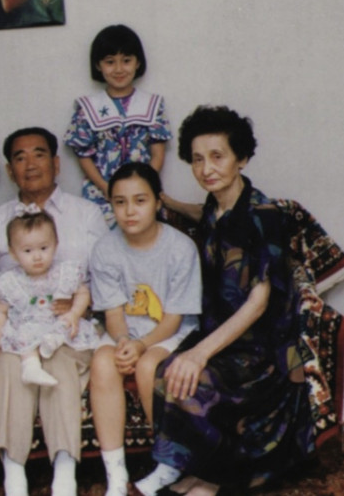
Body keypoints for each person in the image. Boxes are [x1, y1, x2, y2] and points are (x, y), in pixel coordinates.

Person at [134, 106, 314, 496]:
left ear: (241, 158)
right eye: (197, 159)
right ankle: (194, 471)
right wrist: (170, 203)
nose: (206, 168)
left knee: (188, 375)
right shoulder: (216, 207)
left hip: (260, 352)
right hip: (222, 336)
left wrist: (199, 352)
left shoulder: (264, 216)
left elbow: (258, 303)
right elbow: (205, 215)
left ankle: (215, 480)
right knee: (165, 370)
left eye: (217, 156)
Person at [0, 127, 108, 496]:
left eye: (38, 154)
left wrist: (80, 307)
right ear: (9, 170)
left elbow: (105, 279)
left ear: (56, 163)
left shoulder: (86, 214)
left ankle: (65, 470)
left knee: (60, 362)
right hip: (18, 328)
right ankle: (14, 471)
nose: (30, 164)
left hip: (70, 326)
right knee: (9, 363)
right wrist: (2, 333)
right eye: (19, 158)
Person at [89, 162, 201, 496]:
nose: (129, 211)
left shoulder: (180, 248)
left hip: (170, 331)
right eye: (120, 202)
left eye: (140, 201)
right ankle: (116, 473)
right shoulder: (105, 249)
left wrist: (141, 346)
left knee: (149, 365)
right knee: (103, 362)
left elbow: (173, 319)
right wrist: (125, 341)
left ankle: (167, 463)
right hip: (126, 330)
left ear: (157, 202)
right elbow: (113, 313)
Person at [63, 25, 173, 227]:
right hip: (102, 193)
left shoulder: (152, 104)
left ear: (138, 62)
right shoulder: (88, 107)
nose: (119, 69)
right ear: (98, 65)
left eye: (126, 60)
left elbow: (158, 155)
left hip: (142, 191)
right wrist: (106, 187)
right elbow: (84, 155)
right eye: (110, 62)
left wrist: (142, 186)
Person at [0, 209, 99, 387]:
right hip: (28, 325)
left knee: (64, 326)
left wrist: (74, 313)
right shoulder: (9, 282)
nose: (37, 256)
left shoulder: (65, 272)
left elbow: (83, 293)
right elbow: (0, 312)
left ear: (56, 244)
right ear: (13, 253)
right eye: (27, 251)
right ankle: (30, 366)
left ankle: (52, 342)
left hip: (56, 323)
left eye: (44, 248)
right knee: (22, 337)